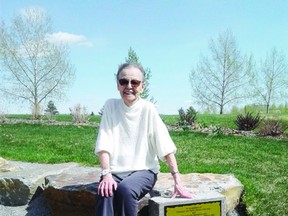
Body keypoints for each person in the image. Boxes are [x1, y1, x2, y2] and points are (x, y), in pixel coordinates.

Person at [95, 62, 193, 216]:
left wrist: (177, 181)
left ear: (142, 86)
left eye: (134, 82)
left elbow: (165, 147)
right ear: (117, 85)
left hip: (144, 172)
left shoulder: (148, 109)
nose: (129, 86)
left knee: (126, 189)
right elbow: (104, 144)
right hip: (115, 172)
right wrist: (106, 174)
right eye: (123, 81)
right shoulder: (110, 106)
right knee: (105, 192)